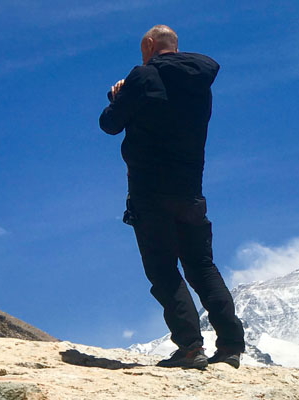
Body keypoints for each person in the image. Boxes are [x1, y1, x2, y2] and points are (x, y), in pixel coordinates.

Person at [99, 25, 245, 370]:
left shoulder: (143, 76)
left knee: (163, 269)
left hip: (150, 191)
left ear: (149, 45)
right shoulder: (201, 82)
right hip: (190, 190)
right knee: (203, 267)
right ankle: (231, 346)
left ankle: (191, 348)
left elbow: (110, 124)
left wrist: (118, 96)